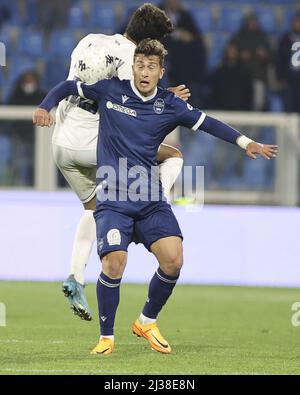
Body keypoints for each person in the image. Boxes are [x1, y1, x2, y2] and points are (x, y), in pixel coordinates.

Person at [34, 39, 277, 354]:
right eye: (140, 65)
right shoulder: (110, 90)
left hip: (150, 200)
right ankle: (106, 338)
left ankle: (146, 321)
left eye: (151, 67)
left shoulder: (170, 105)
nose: (144, 72)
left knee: (174, 259)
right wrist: (44, 106)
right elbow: (68, 86)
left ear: (161, 72)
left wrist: (246, 143)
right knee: (113, 263)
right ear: (132, 65)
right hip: (114, 200)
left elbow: (209, 124)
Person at [51, 3, 190, 321]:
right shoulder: (133, 60)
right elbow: (136, 105)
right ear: (147, 44)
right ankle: (156, 202)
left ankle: (74, 275)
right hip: (92, 144)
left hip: (61, 142)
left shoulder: (89, 38)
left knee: (94, 209)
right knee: (174, 156)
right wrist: (167, 99)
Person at [160, 0, 207, 108]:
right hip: (162, 59)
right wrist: (176, 34)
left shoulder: (185, 16)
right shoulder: (157, 13)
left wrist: (187, 37)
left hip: (181, 65)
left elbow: (196, 38)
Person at [231, 14, 272, 111]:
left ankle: (256, 124)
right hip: (241, 76)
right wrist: (240, 55)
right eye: (249, 22)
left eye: (253, 22)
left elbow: (270, 56)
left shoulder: (262, 38)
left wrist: (264, 55)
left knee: (258, 103)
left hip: (258, 75)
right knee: (242, 100)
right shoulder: (239, 37)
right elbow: (230, 53)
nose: (251, 25)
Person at [209, 42, 253, 111]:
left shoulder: (244, 72)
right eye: (229, 51)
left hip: (240, 108)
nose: (231, 53)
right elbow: (216, 91)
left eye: (233, 51)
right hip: (222, 108)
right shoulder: (220, 72)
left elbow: (248, 92)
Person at [276, 11, 300, 113]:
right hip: (289, 79)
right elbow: (280, 59)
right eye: (296, 21)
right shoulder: (286, 38)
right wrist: (280, 77)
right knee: (289, 108)